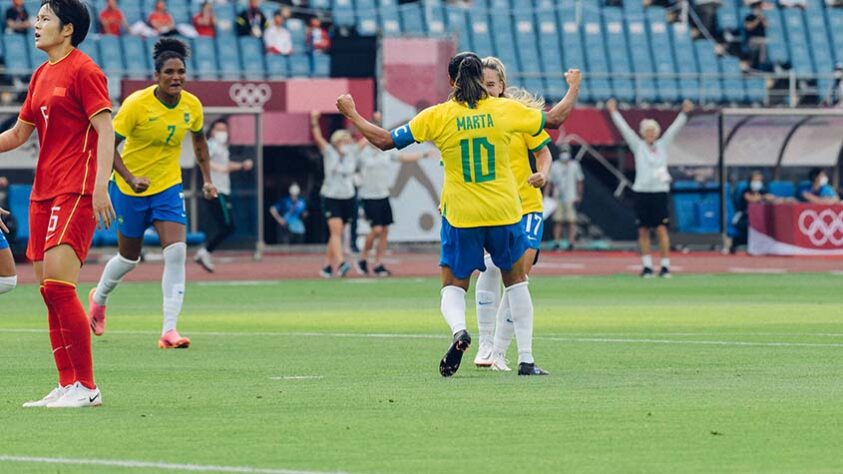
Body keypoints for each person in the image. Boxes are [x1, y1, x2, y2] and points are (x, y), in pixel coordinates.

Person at [336, 52, 581, 377]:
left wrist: (352, 113)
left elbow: (384, 141)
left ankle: (460, 331)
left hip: (462, 214)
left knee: (453, 285)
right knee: (517, 282)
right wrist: (574, 87)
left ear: (451, 81)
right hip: (504, 211)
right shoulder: (504, 109)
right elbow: (556, 118)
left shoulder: (437, 116)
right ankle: (525, 359)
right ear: (482, 80)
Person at [1, 0, 116, 408]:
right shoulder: (40, 75)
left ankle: (87, 386)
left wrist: (101, 186)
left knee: (60, 287)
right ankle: (67, 384)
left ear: (67, 28)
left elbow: (106, 129)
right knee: (48, 292)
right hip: (43, 191)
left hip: (75, 189)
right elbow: (17, 135)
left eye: (45, 18)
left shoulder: (86, 70)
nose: (36, 24)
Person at [88, 38, 217, 350]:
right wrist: (129, 178)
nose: (176, 77)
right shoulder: (136, 105)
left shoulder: (192, 106)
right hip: (130, 189)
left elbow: (199, 142)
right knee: (129, 258)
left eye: (181, 72)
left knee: (176, 252)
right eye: (169, 72)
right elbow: (107, 145)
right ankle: (99, 296)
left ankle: (169, 330)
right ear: (157, 76)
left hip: (168, 187)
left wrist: (208, 179)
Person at [472, 56, 562, 372]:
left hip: (527, 206)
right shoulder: (468, 117)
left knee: (518, 274)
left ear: (502, 87)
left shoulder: (515, 114)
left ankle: (501, 351)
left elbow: (543, 152)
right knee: (490, 270)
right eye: (481, 84)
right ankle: (486, 344)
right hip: (492, 206)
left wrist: (543, 173)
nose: (486, 89)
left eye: (492, 84)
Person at [607, 98, 693, 278]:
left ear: (656, 132)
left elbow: (674, 130)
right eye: (646, 131)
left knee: (661, 229)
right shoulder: (638, 146)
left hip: (659, 192)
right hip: (642, 192)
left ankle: (665, 266)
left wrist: (684, 113)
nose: (650, 134)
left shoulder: (663, 145)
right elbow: (625, 130)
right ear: (643, 133)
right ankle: (647, 266)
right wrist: (614, 112)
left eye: (652, 131)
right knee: (643, 230)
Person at [355, 112, 432, 277]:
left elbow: (403, 157)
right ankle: (363, 258)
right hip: (369, 196)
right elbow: (356, 148)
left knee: (384, 230)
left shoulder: (385, 152)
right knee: (375, 229)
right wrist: (370, 127)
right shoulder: (363, 153)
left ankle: (378, 263)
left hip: (383, 195)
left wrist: (424, 155)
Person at [194, 119, 253, 272]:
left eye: (224, 129)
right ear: (212, 131)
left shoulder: (222, 147)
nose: (222, 133)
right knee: (228, 226)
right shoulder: (211, 144)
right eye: (219, 129)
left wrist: (241, 165)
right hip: (216, 190)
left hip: (224, 190)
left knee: (226, 226)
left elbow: (227, 165)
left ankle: (205, 251)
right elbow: (202, 159)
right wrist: (218, 168)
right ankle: (205, 251)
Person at [311, 111, 356, 278]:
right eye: (343, 141)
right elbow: (318, 139)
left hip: (348, 196)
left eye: (347, 140)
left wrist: (372, 123)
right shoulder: (329, 152)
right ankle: (342, 262)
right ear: (336, 142)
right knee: (336, 231)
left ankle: (327, 266)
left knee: (337, 232)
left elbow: (368, 140)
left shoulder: (352, 154)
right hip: (332, 196)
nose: (346, 143)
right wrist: (314, 121)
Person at [731, 171, 778, 252]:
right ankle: (737, 242)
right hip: (743, 218)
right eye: (755, 180)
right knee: (752, 224)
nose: (757, 183)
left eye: (759, 180)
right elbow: (751, 199)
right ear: (750, 181)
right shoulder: (746, 191)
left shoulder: (762, 191)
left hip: (759, 218)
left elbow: (772, 198)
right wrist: (763, 198)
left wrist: (772, 198)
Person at [548, 144, 584, 251]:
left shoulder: (574, 165)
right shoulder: (555, 165)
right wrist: (547, 196)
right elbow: (550, 182)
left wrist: (579, 195)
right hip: (557, 196)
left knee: (572, 221)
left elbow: (579, 181)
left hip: (571, 196)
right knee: (557, 221)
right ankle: (557, 242)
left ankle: (571, 242)